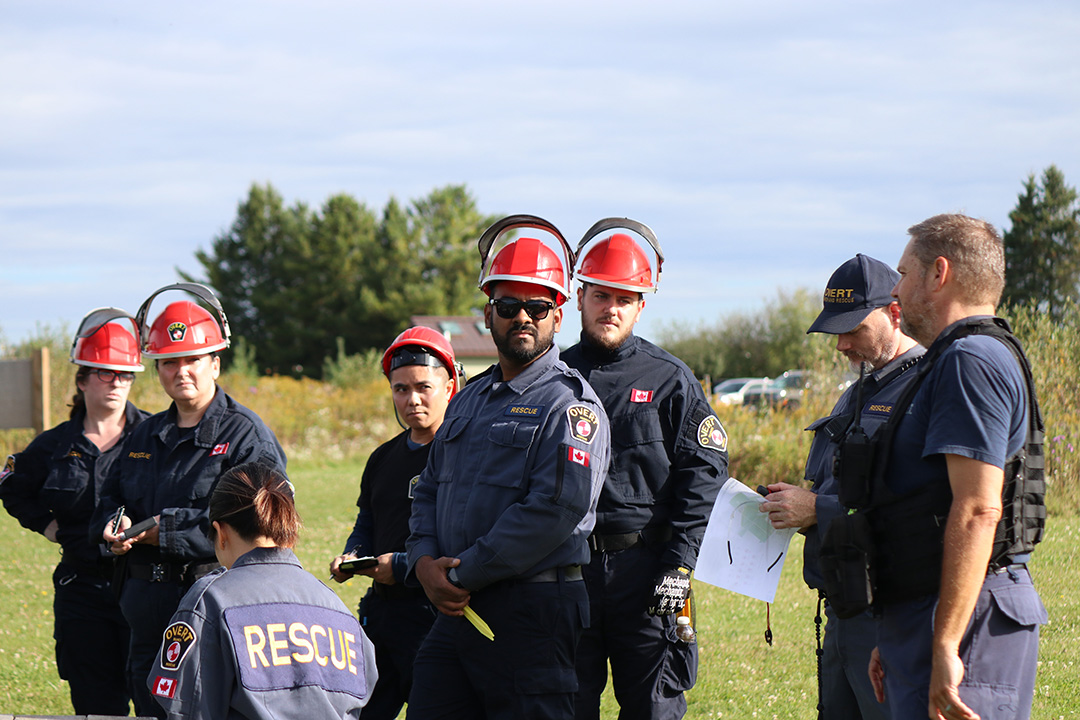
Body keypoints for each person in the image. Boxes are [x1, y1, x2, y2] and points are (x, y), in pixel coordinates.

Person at [405, 214, 611, 720]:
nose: (523, 317)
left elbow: (555, 510)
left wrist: (464, 572)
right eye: (508, 305)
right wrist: (424, 563)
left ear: (558, 316)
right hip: (454, 612)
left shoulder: (571, 408)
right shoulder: (469, 399)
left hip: (532, 616)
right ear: (488, 312)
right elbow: (428, 487)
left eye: (538, 306)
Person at [867, 214, 1047, 719]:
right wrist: (902, 635)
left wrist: (945, 642)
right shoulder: (957, 358)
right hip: (938, 608)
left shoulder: (971, 361)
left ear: (938, 273)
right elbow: (929, 499)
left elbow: (977, 509)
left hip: (969, 622)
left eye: (903, 273)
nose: (896, 291)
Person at [94, 283, 288, 719]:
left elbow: (260, 522)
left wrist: (169, 531)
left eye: (192, 360)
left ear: (215, 363)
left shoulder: (245, 436)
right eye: (169, 362)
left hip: (212, 605)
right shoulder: (144, 435)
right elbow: (111, 497)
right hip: (145, 607)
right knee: (150, 704)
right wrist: (110, 525)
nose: (181, 371)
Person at [561, 219, 729, 720]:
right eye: (601, 295)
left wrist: (678, 566)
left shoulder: (670, 380)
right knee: (564, 706)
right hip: (568, 573)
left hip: (648, 574)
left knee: (653, 710)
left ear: (641, 305)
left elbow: (702, 478)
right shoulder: (554, 377)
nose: (611, 308)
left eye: (625, 298)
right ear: (580, 296)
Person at [758, 254, 923, 720]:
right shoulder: (856, 393)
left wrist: (817, 510)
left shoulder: (925, 390)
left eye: (854, 329)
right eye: (835, 331)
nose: (841, 345)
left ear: (894, 314)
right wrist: (792, 502)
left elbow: (917, 509)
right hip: (842, 607)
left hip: (892, 612)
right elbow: (840, 486)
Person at [0, 309, 149, 716]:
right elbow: (11, 487)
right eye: (105, 372)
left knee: (158, 700)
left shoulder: (156, 436)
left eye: (125, 374)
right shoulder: (52, 445)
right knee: (95, 702)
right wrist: (48, 527)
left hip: (144, 588)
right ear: (81, 379)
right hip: (82, 590)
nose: (117, 382)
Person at [148, 461, 377, 718]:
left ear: (219, 532)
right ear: (287, 527)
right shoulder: (335, 606)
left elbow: (189, 709)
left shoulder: (211, 599)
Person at [328, 326, 462, 719]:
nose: (412, 399)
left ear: (450, 385)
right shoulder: (382, 458)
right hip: (379, 616)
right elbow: (367, 519)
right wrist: (354, 554)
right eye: (400, 389)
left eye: (423, 386)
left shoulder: (463, 456)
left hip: (433, 616)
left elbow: (460, 539)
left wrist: (401, 567)